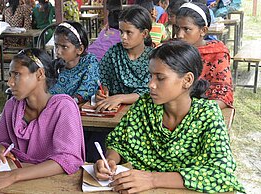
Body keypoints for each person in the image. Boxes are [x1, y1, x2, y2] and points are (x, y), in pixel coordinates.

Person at [94, 40, 245, 193]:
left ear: (187, 80)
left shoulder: (207, 115)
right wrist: (110, 161)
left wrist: (152, 179)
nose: (150, 84)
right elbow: (119, 142)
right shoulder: (145, 106)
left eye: (160, 78)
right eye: (151, 76)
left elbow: (222, 173)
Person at [0, 48, 85, 191]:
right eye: (10, 75)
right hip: (16, 183)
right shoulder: (12, 106)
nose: (10, 82)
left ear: (39, 74)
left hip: (54, 185)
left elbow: (67, 159)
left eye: (16, 75)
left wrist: (13, 176)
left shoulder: (63, 107)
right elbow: (0, 142)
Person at [96, 5, 154, 112]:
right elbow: (103, 79)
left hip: (143, 111)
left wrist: (119, 98)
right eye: (121, 32)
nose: (123, 37)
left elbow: (147, 91)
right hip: (113, 108)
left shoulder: (153, 58)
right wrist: (103, 93)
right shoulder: (114, 53)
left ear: (144, 33)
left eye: (129, 32)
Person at [176, 2, 233, 109]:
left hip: (200, 111)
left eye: (186, 29)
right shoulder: (172, 50)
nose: (179, 34)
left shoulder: (217, 54)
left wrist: (193, 110)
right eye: (177, 28)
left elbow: (223, 97)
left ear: (203, 30)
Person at [49, 21, 99, 104]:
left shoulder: (89, 63)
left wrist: (64, 104)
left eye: (64, 47)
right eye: (56, 46)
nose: (58, 51)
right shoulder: (55, 66)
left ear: (80, 49)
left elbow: (85, 91)